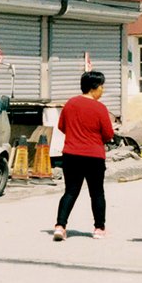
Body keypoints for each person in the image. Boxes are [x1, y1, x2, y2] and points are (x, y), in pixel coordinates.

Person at [52, 70, 114, 241]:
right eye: (101, 86)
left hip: (71, 154)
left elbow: (62, 126)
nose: (102, 90)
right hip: (94, 156)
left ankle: (60, 226)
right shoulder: (100, 108)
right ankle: (99, 228)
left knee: (70, 192)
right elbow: (108, 134)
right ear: (94, 88)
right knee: (97, 193)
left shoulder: (70, 104)